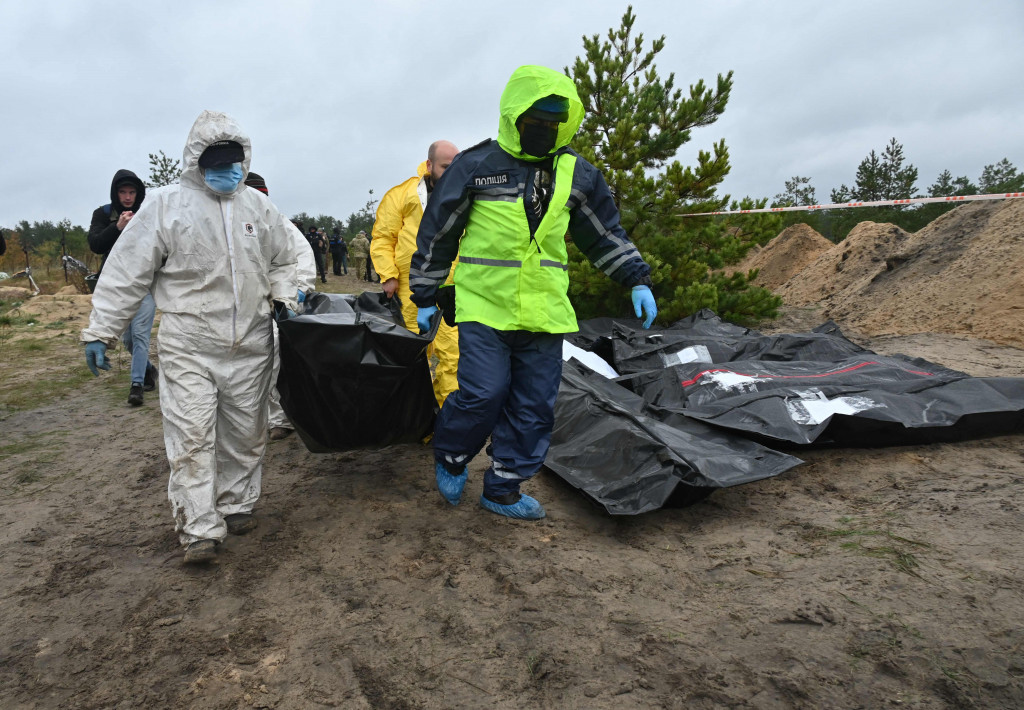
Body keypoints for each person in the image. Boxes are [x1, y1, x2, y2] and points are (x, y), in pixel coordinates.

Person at [410, 65, 657, 520]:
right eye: (536, 119)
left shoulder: (577, 174)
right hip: (486, 304)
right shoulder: (477, 166)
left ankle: (503, 487)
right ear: (514, 115)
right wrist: (424, 296)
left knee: (534, 404)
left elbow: (604, 233)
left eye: (554, 121)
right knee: (484, 394)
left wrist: (636, 278)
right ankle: (452, 453)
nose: (545, 129)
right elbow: (438, 232)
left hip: (545, 309)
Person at [80, 110, 299, 564]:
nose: (228, 170)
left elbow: (286, 259)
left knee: (247, 432)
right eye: (218, 162)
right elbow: (126, 271)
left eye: (234, 162)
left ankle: (236, 505)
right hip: (190, 345)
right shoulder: (166, 206)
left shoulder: (258, 208)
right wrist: (101, 328)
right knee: (192, 435)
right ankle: (199, 527)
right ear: (197, 160)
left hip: (252, 342)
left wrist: (283, 296)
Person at [372, 140, 461, 407]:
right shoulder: (402, 194)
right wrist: (388, 275)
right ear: (430, 164)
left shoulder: (463, 195)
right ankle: (417, 418)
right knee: (412, 355)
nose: (451, 172)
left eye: (455, 166)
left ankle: (448, 415)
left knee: (453, 356)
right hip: (409, 289)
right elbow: (382, 238)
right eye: (446, 166)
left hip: (450, 289)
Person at [244, 172, 318, 441]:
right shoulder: (232, 225)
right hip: (244, 307)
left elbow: (302, 258)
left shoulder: (280, 223)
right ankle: (254, 418)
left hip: (278, 305)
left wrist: (298, 291)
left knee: (276, 362)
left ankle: (281, 419)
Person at [87, 169, 157, 406]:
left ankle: (136, 385)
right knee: (127, 340)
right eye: (123, 192)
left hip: (145, 283)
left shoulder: (148, 213)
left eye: (132, 192)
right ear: (115, 193)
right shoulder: (103, 214)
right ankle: (148, 369)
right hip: (117, 284)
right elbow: (96, 245)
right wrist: (117, 227)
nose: (128, 197)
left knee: (140, 334)